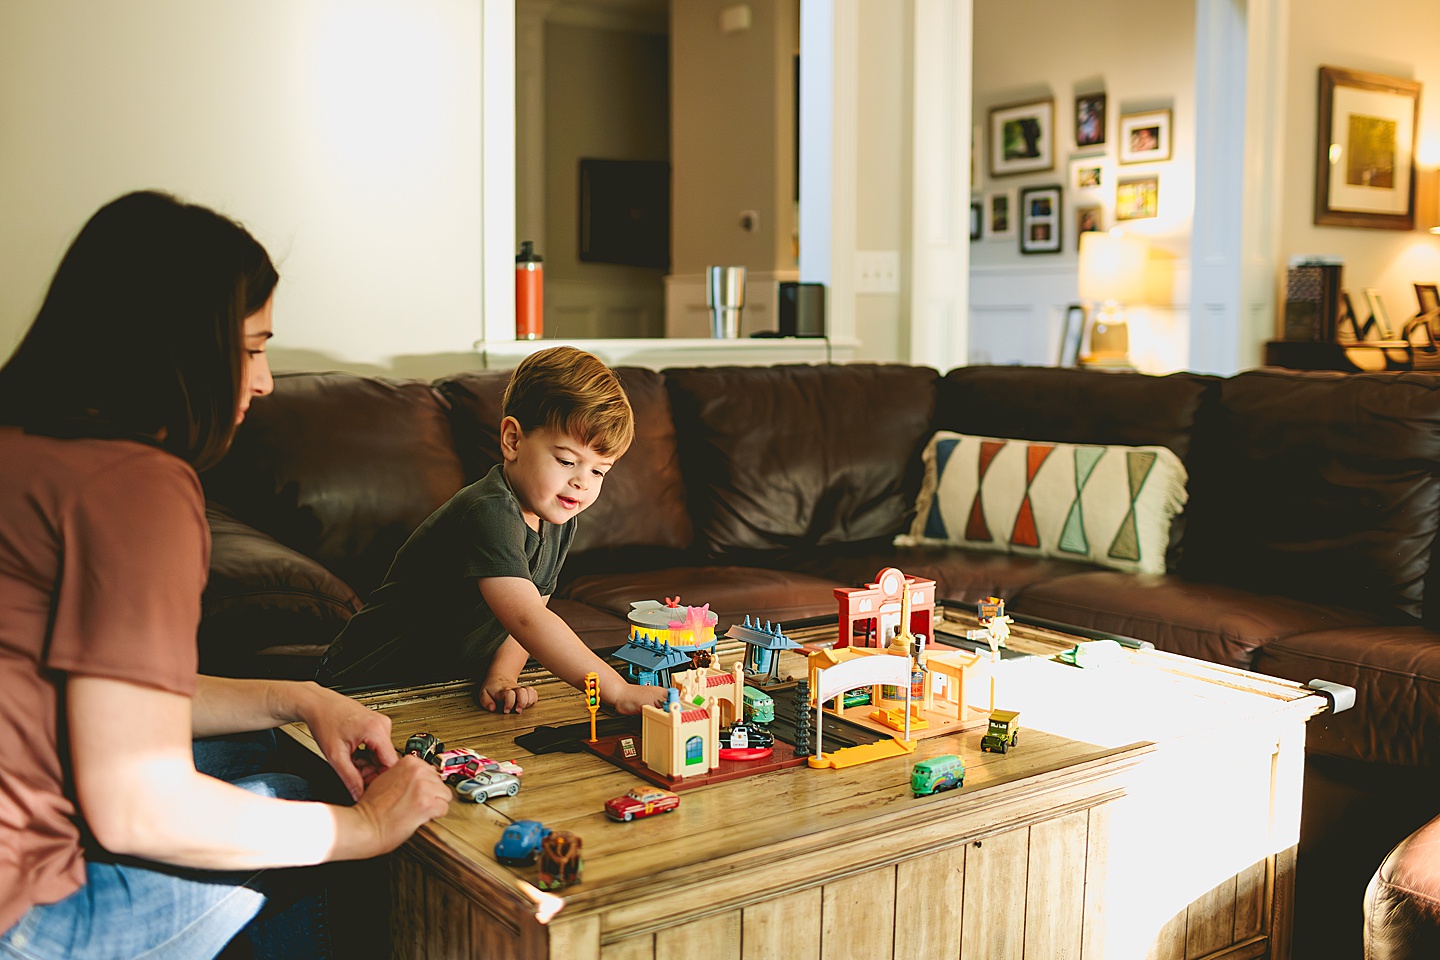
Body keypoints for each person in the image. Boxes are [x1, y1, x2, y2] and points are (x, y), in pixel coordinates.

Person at [0, 191, 452, 960]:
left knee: (271, 754)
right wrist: (365, 830)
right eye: (251, 348)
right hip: (25, 919)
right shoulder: (135, 485)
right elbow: (136, 804)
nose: (266, 380)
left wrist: (299, 698)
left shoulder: (25, 446)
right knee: (319, 818)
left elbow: (106, 702)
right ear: (176, 349)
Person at [317, 346, 667, 716]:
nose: (582, 483)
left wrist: (502, 675)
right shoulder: (488, 511)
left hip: (435, 690)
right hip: (361, 685)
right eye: (567, 461)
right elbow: (526, 618)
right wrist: (616, 691)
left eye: (599, 471)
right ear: (513, 440)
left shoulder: (558, 520)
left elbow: (531, 608)